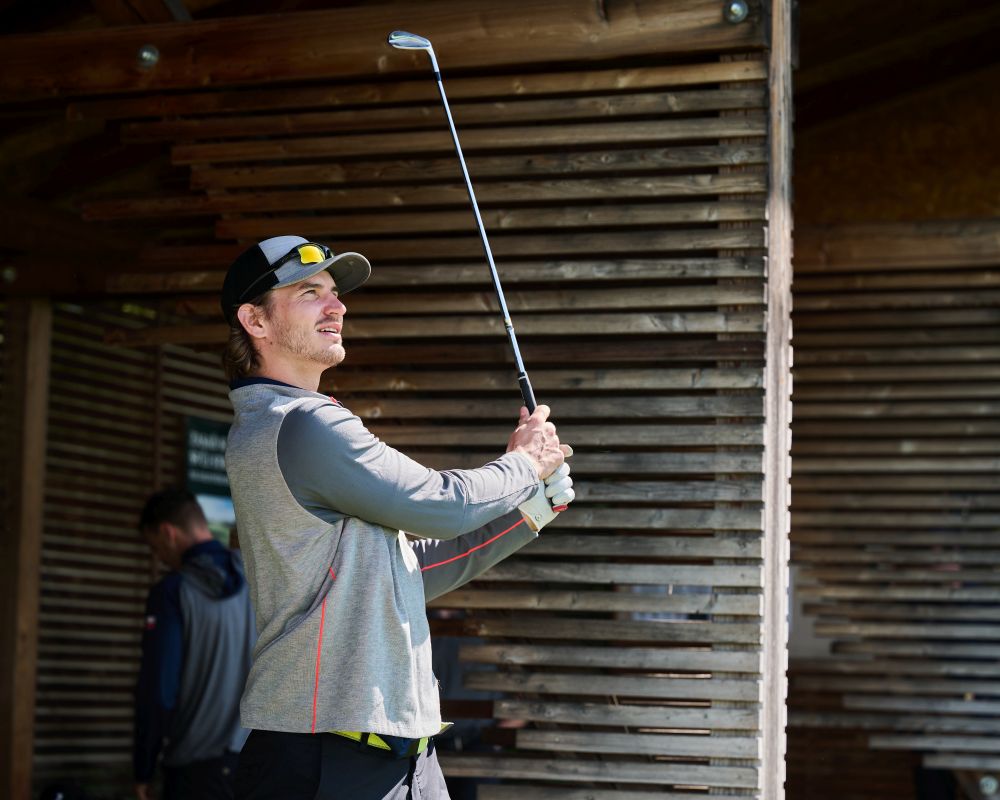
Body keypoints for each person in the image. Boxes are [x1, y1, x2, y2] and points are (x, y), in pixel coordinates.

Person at [219, 236, 575, 800]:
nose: (337, 307)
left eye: (335, 294)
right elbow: (439, 503)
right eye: (310, 292)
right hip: (327, 759)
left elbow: (408, 568)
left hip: (401, 756)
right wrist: (526, 463)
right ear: (254, 320)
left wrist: (530, 508)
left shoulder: (289, 423)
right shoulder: (301, 425)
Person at [134, 489, 257, 800]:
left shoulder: (173, 592)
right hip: (256, 763)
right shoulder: (254, 577)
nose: (159, 557)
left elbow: (160, 691)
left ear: (167, 533)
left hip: (195, 771)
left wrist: (143, 768)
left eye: (154, 547)